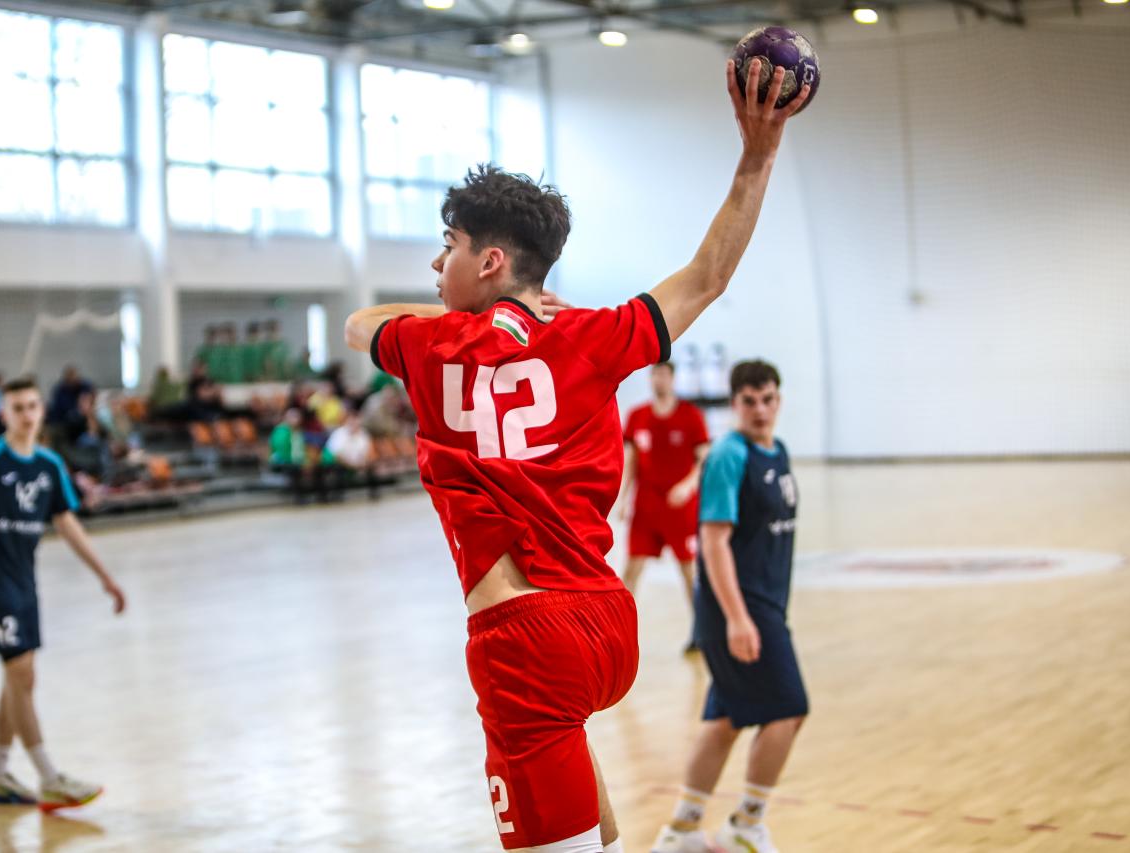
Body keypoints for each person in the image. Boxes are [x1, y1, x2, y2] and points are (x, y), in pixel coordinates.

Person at [344, 60, 808, 853]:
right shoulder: (595, 336)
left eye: (449, 248)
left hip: (523, 635)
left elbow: (361, 323)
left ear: (491, 261)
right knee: (589, 812)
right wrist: (759, 155)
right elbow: (708, 277)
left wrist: (475, 316)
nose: (438, 266)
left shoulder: (427, 342)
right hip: (606, 622)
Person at [0, 376, 126, 812]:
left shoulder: (49, 465)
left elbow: (67, 523)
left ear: (42, 410)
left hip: (25, 583)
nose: (27, 415)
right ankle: (49, 777)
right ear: (4, 413)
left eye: (33, 406)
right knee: (19, 674)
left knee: (18, 678)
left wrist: (105, 577)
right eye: (18, 408)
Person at [650, 360, 805, 853]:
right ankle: (745, 824)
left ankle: (681, 831)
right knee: (789, 710)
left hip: (766, 604)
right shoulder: (728, 456)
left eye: (768, 399)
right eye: (749, 401)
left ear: (779, 400)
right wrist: (737, 619)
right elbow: (713, 542)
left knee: (725, 720)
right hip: (739, 608)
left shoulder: (778, 451)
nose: (760, 410)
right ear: (735, 404)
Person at [619, 361, 710, 650]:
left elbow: (704, 458)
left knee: (689, 571)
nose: (659, 380)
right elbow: (631, 461)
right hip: (646, 505)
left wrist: (688, 485)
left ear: (672, 378)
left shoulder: (691, 416)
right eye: (655, 375)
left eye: (663, 375)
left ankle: (702, 632)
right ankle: (617, 631)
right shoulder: (637, 416)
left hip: (680, 507)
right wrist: (623, 498)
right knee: (631, 569)